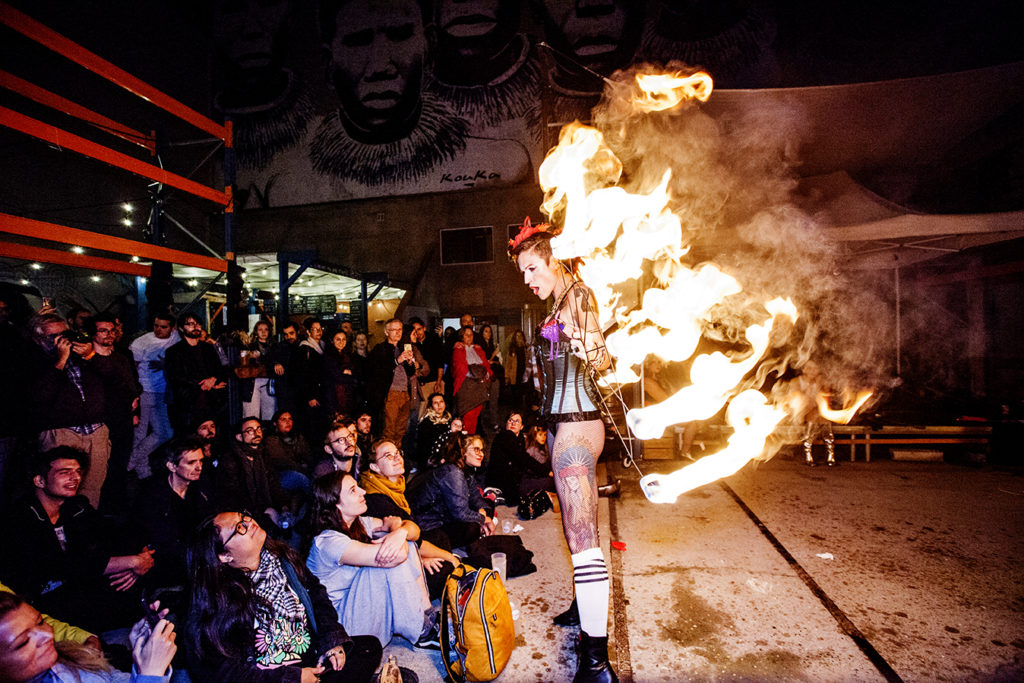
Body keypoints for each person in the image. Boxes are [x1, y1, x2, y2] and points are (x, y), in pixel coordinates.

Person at [509, 218, 616, 682]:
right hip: (558, 424)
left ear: (553, 259)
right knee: (575, 529)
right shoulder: (555, 302)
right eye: (523, 273)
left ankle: (596, 664)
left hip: (577, 426)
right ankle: (582, 605)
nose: (528, 280)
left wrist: (583, 343)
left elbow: (605, 363)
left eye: (533, 268)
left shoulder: (579, 296)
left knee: (583, 538)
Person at [186, 510, 382, 682]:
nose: (249, 522)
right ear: (225, 556)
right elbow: (227, 675)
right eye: (239, 528)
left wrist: (331, 641)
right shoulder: (218, 602)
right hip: (271, 677)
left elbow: (317, 597)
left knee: (368, 648)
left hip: (309, 660)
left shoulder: (282, 559)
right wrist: (293, 678)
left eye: (244, 516)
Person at [1, 447, 155, 634]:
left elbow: (114, 532)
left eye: (78, 472)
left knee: (129, 564)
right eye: (64, 472)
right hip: (39, 598)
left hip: (76, 587)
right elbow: (59, 566)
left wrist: (142, 554)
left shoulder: (75, 506)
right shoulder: (19, 517)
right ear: (39, 480)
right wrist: (132, 562)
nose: (75, 478)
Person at [306, 472, 440, 649]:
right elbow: (397, 556)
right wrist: (396, 536)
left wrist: (399, 533)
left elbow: (410, 528)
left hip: (364, 608)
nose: (363, 491)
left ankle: (426, 612)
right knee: (387, 558)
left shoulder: (360, 523)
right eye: (353, 490)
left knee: (400, 540)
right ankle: (420, 631)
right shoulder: (327, 542)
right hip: (345, 625)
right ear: (336, 504)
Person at [27, 312, 111, 508]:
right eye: (54, 337)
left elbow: (117, 383)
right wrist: (60, 361)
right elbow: (39, 396)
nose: (62, 341)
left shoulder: (83, 356)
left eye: (65, 334)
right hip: (61, 432)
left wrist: (91, 356)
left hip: (96, 431)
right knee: (59, 489)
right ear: (39, 339)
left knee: (92, 489)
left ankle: (85, 529)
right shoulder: (33, 361)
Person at [0, 591, 176, 683]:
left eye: (40, 622)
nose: (47, 635)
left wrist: (142, 659)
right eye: (23, 642)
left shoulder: (65, 658)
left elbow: (112, 678)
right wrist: (150, 675)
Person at [359, 438, 459, 600]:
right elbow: (405, 543)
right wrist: (448, 558)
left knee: (441, 537)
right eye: (388, 456)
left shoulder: (393, 485)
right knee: (447, 567)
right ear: (375, 467)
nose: (397, 458)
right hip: (391, 570)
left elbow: (413, 534)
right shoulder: (376, 499)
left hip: (406, 545)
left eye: (397, 453)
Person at [135, 436, 212, 591]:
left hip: (198, 562)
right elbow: (144, 534)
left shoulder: (203, 487)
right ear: (172, 466)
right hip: (165, 568)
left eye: (201, 461)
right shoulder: (151, 494)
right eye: (191, 462)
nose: (199, 467)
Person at [88, 312, 142, 515]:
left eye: (112, 331)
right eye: (103, 331)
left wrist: (135, 408)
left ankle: (116, 507)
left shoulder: (121, 357)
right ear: (93, 333)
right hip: (100, 420)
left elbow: (134, 385)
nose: (109, 335)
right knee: (99, 468)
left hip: (123, 420)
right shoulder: (87, 361)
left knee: (119, 464)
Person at [409, 433, 496, 552]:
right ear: (463, 451)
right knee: (472, 528)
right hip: (430, 525)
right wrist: (483, 519)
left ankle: (476, 534)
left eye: (481, 450)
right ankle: (471, 539)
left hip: (447, 513)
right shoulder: (453, 472)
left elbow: (475, 496)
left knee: (488, 505)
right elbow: (460, 513)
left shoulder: (466, 469)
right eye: (476, 449)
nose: (481, 454)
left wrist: (482, 511)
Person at [164, 313, 227, 434]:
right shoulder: (173, 351)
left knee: (212, 437)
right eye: (190, 324)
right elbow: (176, 378)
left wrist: (213, 379)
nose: (196, 327)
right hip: (187, 404)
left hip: (210, 402)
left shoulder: (208, 348)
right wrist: (204, 385)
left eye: (197, 324)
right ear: (181, 329)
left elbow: (220, 369)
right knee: (187, 439)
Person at [368, 319, 429, 445]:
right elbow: (377, 371)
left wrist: (410, 362)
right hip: (390, 393)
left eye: (400, 329)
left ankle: (397, 454)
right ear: (386, 332)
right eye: (394, 330)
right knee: (388, 430)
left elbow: (411, 372)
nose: (397, 332)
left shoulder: (403, 347)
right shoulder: (380, 349)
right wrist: (397, 360)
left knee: (401, 429)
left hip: (404, 392)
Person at [451, 325, 494, 434]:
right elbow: (460, 369)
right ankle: (465, 441)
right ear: (462, 336)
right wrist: (479, 374)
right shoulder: (458, 349)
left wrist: (486, 375)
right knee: (467, 417)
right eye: (466, 335)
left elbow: (487, 366)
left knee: (475, 416)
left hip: (480, 387)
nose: (469, 337)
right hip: (467, 387)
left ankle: (470, 439)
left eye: (471, 335)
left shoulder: (478, 349)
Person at [241, 319, 276, 421]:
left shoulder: (274, 346)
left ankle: (269, 436)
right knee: (251, 414)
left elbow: (275, 360)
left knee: (270, 414)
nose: (263, 332)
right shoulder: (249, 345)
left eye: (266, 329)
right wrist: (249, 356)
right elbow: (242, 361)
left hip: (269, 381)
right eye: (260, 329)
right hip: (253, 381)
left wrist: (261, 357)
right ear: (256, 331)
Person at [323, 330, 358, 418]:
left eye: (343, 339)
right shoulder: (328, 357)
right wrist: (347, 373)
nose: (341, 342)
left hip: (349, 394)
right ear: (332, 340)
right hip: (334, 395)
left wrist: (346, 372)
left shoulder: (349, 355)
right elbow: (335, 376)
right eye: (338, 339)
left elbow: (356, 374)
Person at [415, 393, 451, 471]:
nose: (439, 405)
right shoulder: (426, 423)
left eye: (441, 402)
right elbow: (423, 448)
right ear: (431, 406)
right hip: (431, 460)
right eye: (435, 403)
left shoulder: (450, 419)